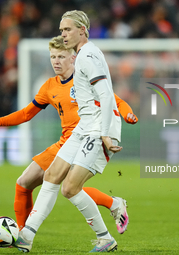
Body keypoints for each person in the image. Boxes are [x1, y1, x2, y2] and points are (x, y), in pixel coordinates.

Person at [0, 34, 137, 250]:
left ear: (73, 58)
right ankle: (22, 235)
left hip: (89, 138)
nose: (56, 61)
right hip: (66, 141)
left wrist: (128, 115)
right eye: (53, 56)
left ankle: (108, 214)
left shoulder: (84, 77)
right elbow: (26, 114)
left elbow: (116, 100)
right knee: (24, 183)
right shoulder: (49, 87)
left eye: (61, 56)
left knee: (69, 187)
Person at [13, 10, 127, 253]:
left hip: (98, 129)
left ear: (82, 30)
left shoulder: (86, 56)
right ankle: (26, 235)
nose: (63, 34)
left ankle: (105, 237)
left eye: (67, 29)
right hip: (86, 126)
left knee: (70, 188)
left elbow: (107, 96)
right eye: (61, 30)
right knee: (51, 175)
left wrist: (105, 134)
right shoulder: (84, 53)